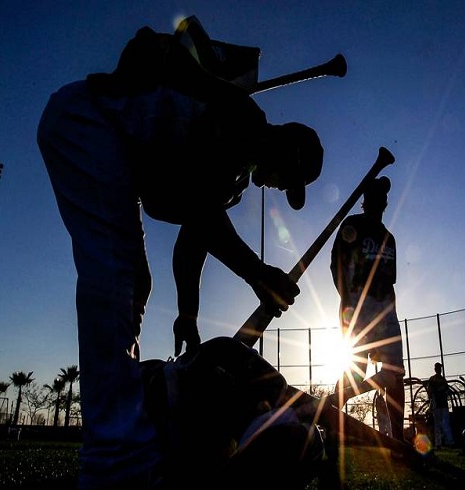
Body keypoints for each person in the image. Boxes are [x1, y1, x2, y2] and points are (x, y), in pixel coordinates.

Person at [37, 16, 323, 489]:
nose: (277, 187)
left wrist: (187, 312)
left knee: (133, 282)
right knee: (118, 273)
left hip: (107, 143)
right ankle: (114, 459)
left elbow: (194, 236)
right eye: (287, 178)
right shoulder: (246, 121)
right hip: (87, 121)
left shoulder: (233, 179)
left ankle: (123, 442)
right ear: (286, 150)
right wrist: (257, 273)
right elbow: (200, 214)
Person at [329, 176, 405, 443]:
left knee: (395, 373)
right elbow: (336, 265)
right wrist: (349, 300)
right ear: (365, 200)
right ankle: (332, 419)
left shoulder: (389, 238)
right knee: (356, 370)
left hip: (386, 311)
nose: (380, 201)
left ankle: (398, 438)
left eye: (383, 197)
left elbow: (389, 279)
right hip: (357, 308)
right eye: (375, 196)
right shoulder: (352, 225)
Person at [427, 362, 454, 448]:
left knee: (443, 423)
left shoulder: (442, 379)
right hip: (437, 404)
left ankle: (448, 442)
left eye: (440, 368)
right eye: (438, 368)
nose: (439, 370)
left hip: (442, 404)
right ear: (435, 369)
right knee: (440, 424)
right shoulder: (434, 379)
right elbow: (430, 392)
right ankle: (443, 442)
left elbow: (445, 391)